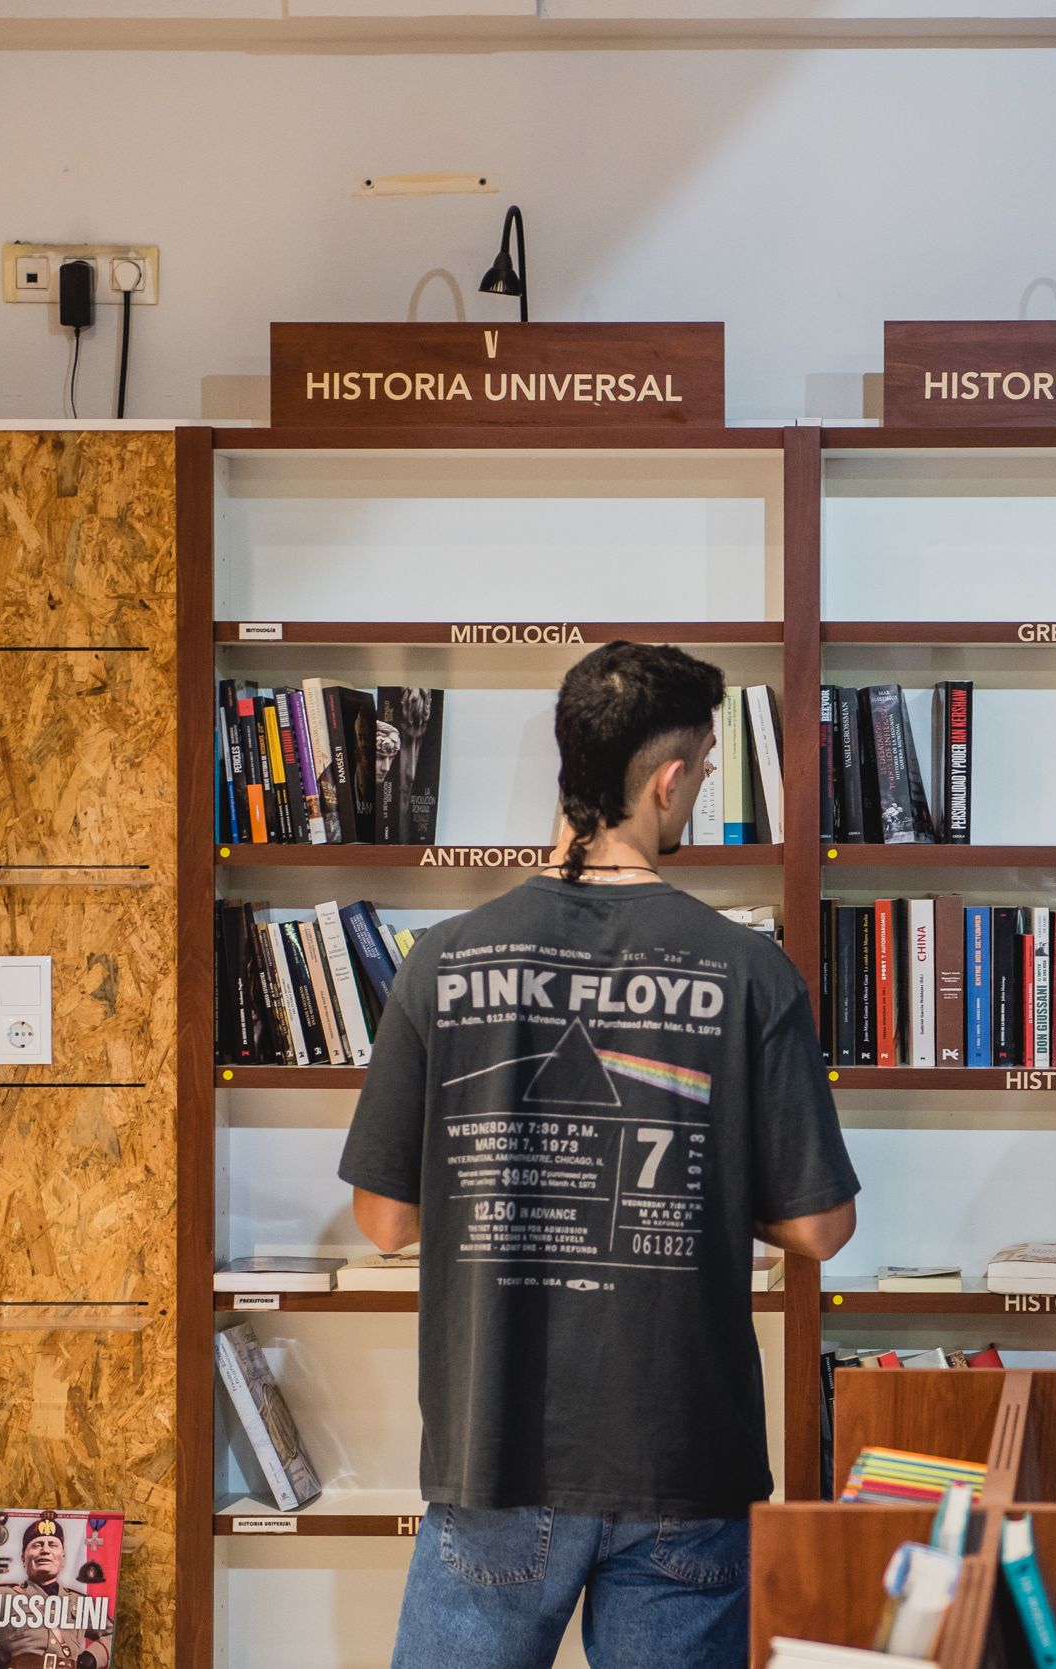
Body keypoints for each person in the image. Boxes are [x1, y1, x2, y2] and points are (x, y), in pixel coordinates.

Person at [340, 641, 859, 1669]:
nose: (696, 794)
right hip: (683, 1459)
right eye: (703, 775)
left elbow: (385, 1218)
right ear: (667, 779)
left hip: (495, 1454)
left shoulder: (441, 963)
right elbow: (820, 1228)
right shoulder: (748, 969)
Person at [0, 1514, 111, 1669]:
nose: (45, 1550)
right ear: (23, 1558)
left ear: (63, 1558)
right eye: (37, 1545)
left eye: (52, 1544)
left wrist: (92, 1657)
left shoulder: (78, 1603)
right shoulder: (3, 1596)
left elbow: (112, 1633)